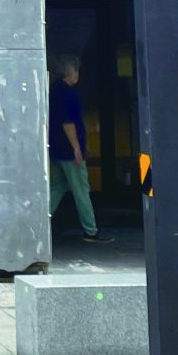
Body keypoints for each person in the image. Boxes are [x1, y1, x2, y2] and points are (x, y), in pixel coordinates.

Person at [49, 54, 113, 243]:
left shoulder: (54, 91)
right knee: (81, 190)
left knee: (58, 187)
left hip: (57, 149)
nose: (78, 74)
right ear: (70, 73)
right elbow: (68, 123)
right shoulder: (68, 94)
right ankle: (91, 230)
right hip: (69, 152)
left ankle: (38, 223)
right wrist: (77, 148)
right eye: (76, 70)